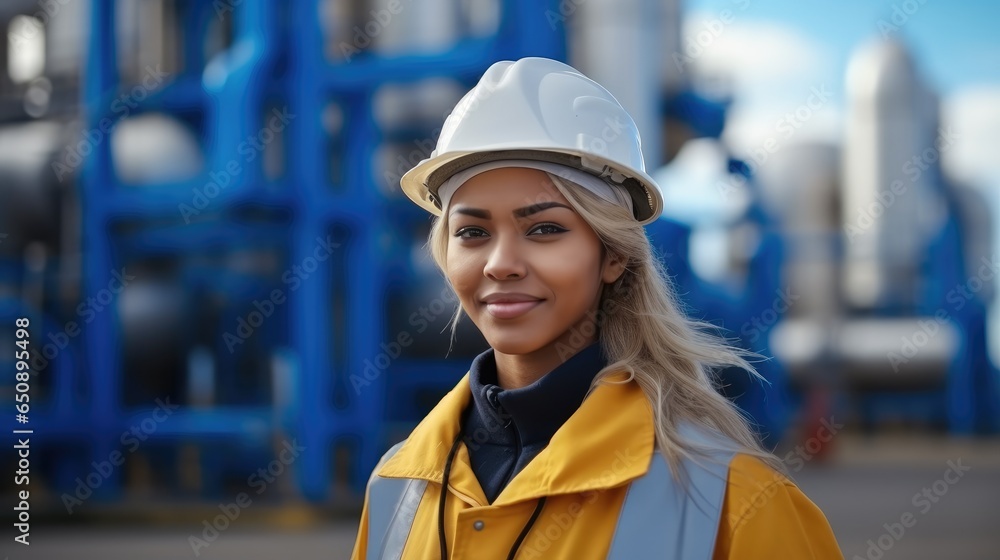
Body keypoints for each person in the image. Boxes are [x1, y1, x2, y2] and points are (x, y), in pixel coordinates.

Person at [351, 57, 843, 560]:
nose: (500, 264)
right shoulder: (396, 487)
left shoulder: (736, 504)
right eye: (472, 233)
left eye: (544, 229)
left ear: (614, 256)